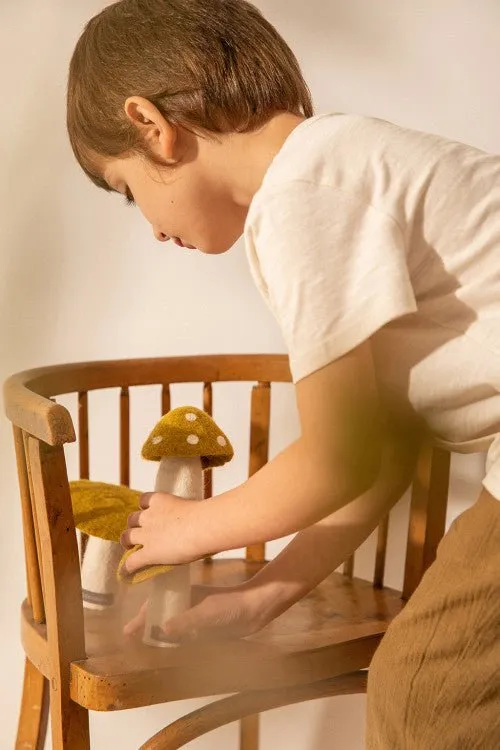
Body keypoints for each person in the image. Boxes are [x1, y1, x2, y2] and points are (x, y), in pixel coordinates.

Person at [66, 1, 500, 746]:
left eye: (127, 189)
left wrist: (195, 525)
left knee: (424, 690)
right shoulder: (335, 171)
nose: (151, 228)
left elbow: (336, 458)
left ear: (150, 125)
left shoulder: (301, 199)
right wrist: (263, 594)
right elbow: (377, 451)